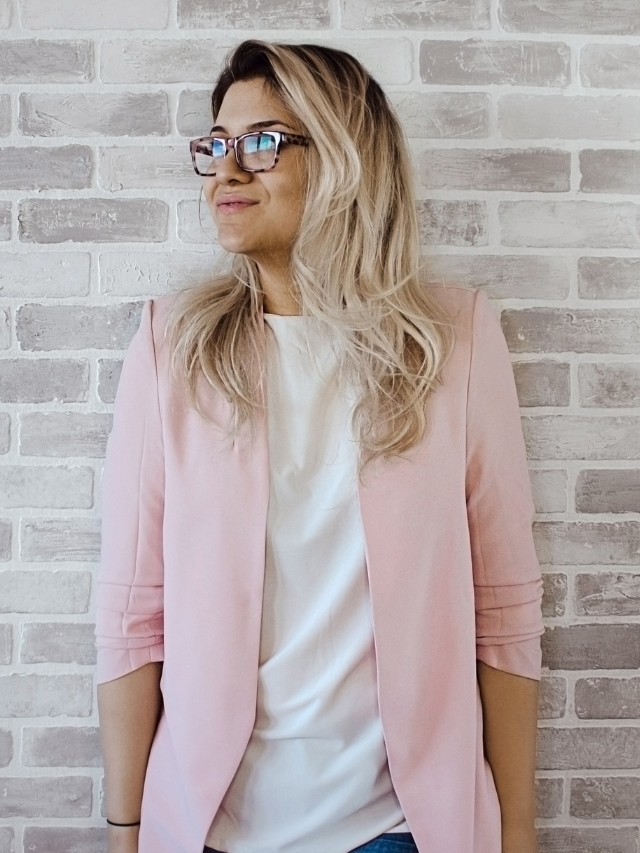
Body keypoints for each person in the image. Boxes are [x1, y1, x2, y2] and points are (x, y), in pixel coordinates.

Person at [94, 39, 544, 853]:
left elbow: (505, 608)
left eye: (262, 143)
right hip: (211, 830)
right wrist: (126, 829)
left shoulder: (456, 341)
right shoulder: (173, 349)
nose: (227, 172)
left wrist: (515, 830)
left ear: (343, 158)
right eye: (217, 146)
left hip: (400, 829)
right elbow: (132, 615)